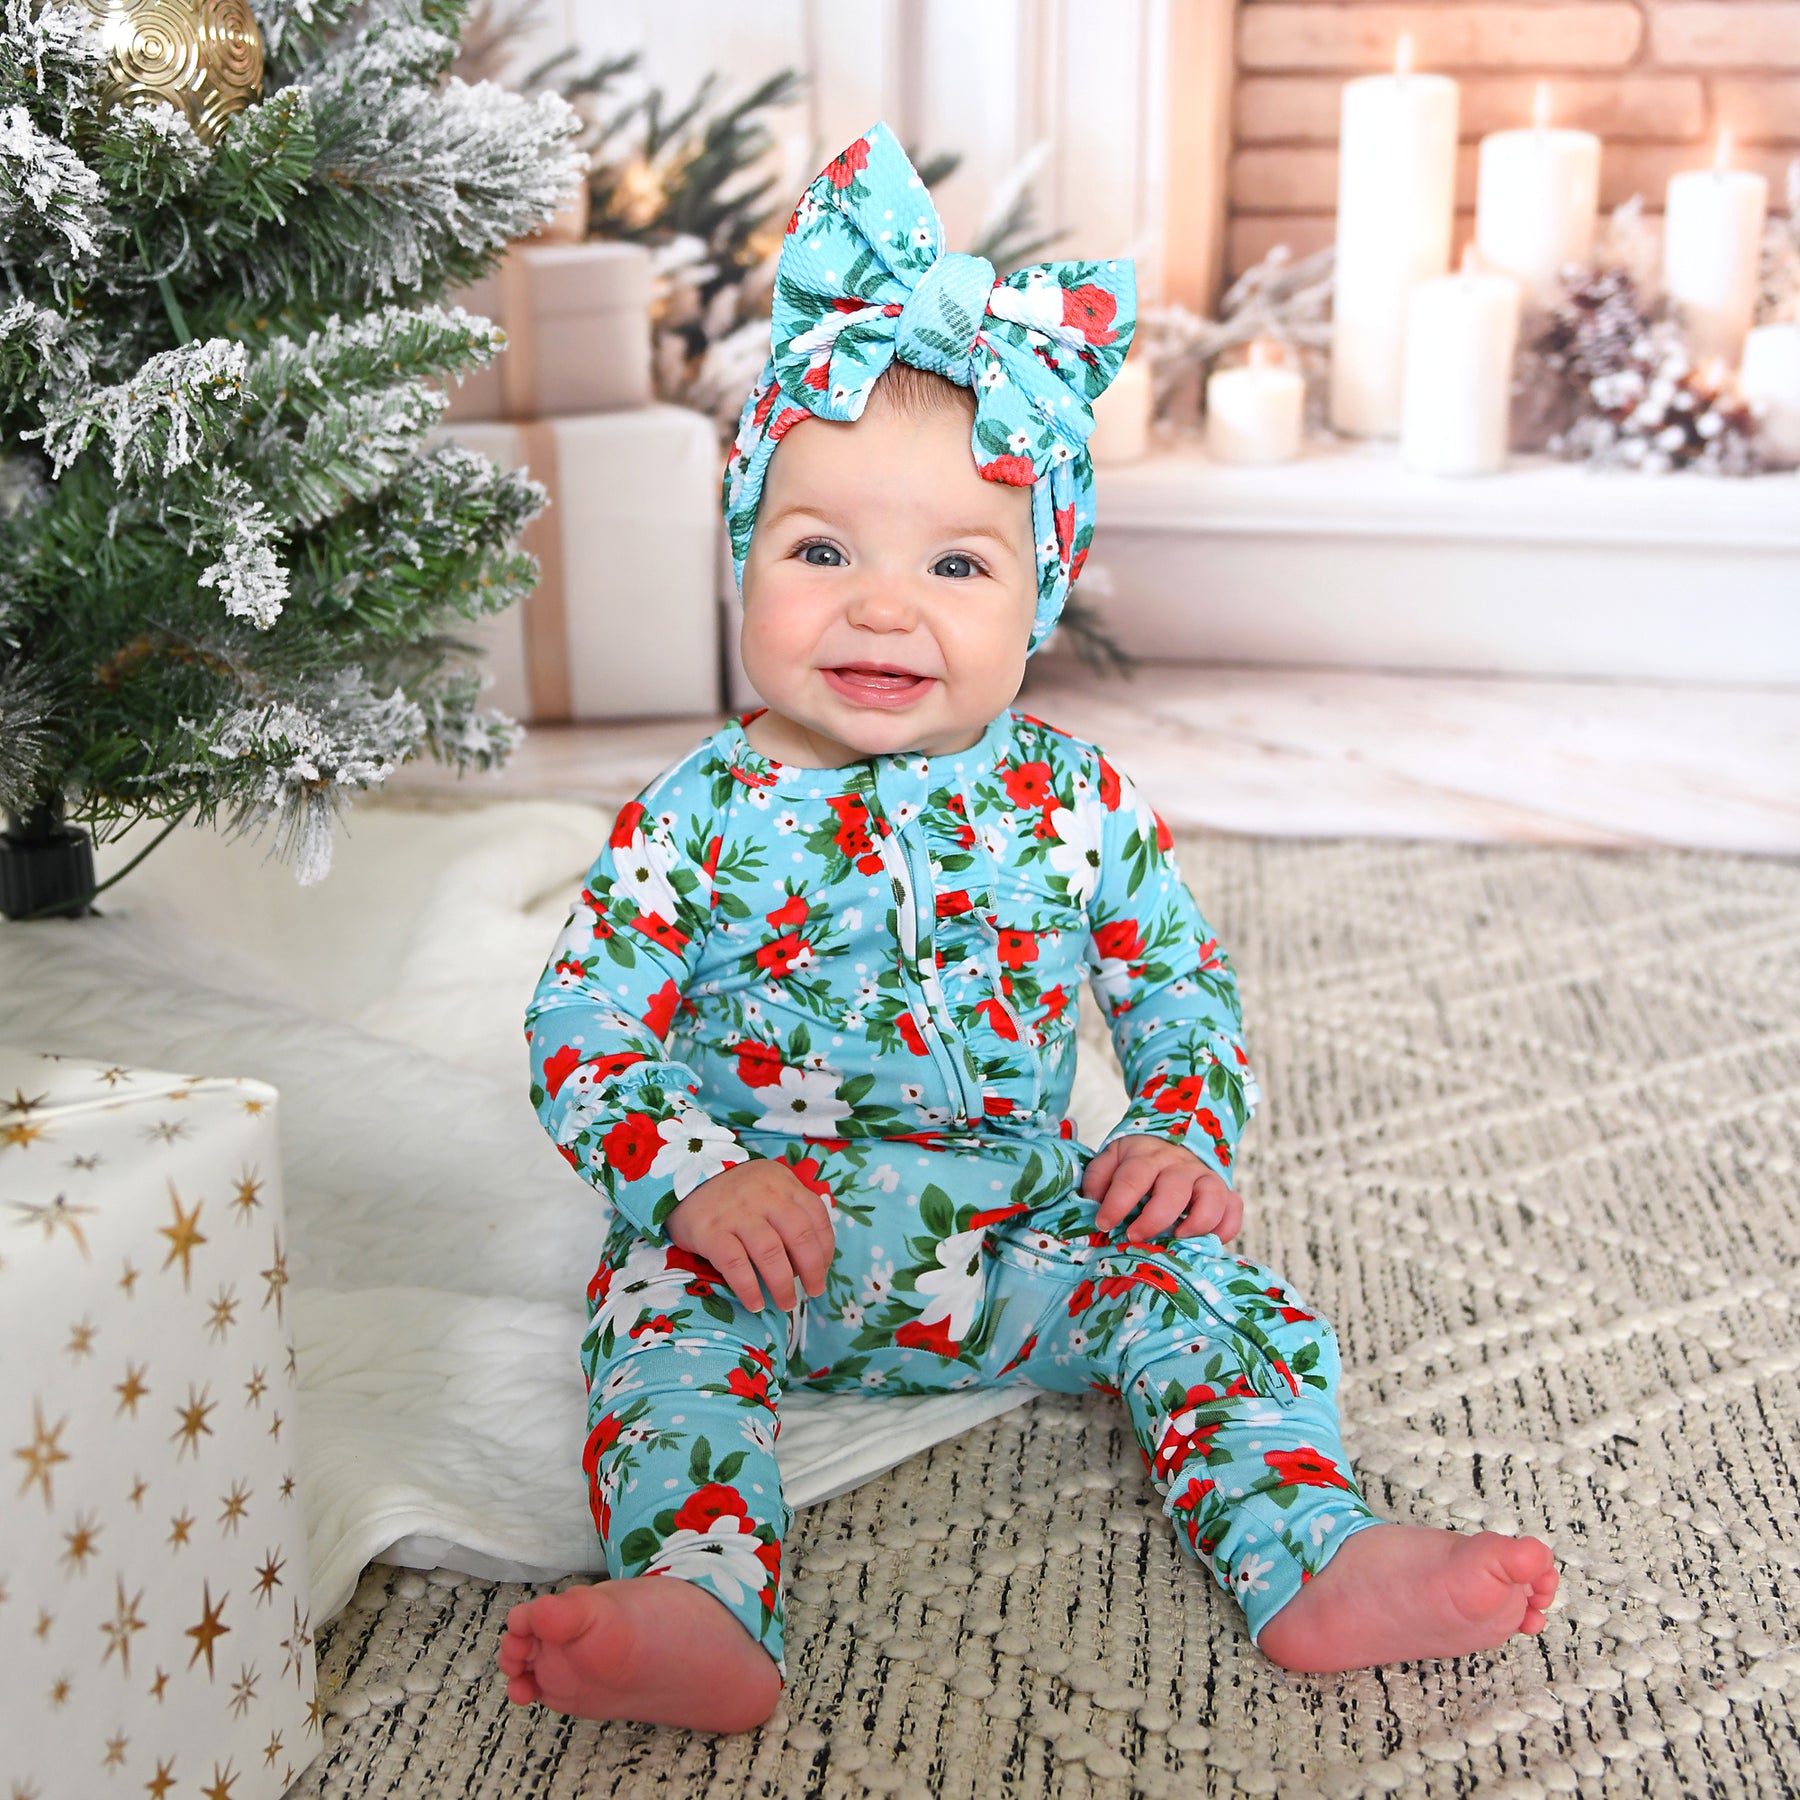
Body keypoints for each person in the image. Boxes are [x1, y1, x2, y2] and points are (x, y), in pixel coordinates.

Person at [499, 123, 1557, 1733]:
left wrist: (1183, 1128)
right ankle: (698, 1598)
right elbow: (584, 1024)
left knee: (1211, 1293)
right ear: (743, 559)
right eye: (819, 550)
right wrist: (695, 1178)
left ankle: (1314, 1551)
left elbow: (1178, 988)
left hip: (1016, 1230)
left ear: (1040, 595)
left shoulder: (1078, 800)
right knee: (654, 1339)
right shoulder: (698, 812)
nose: (881, 604)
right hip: (762, 1240)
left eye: (955, 562)